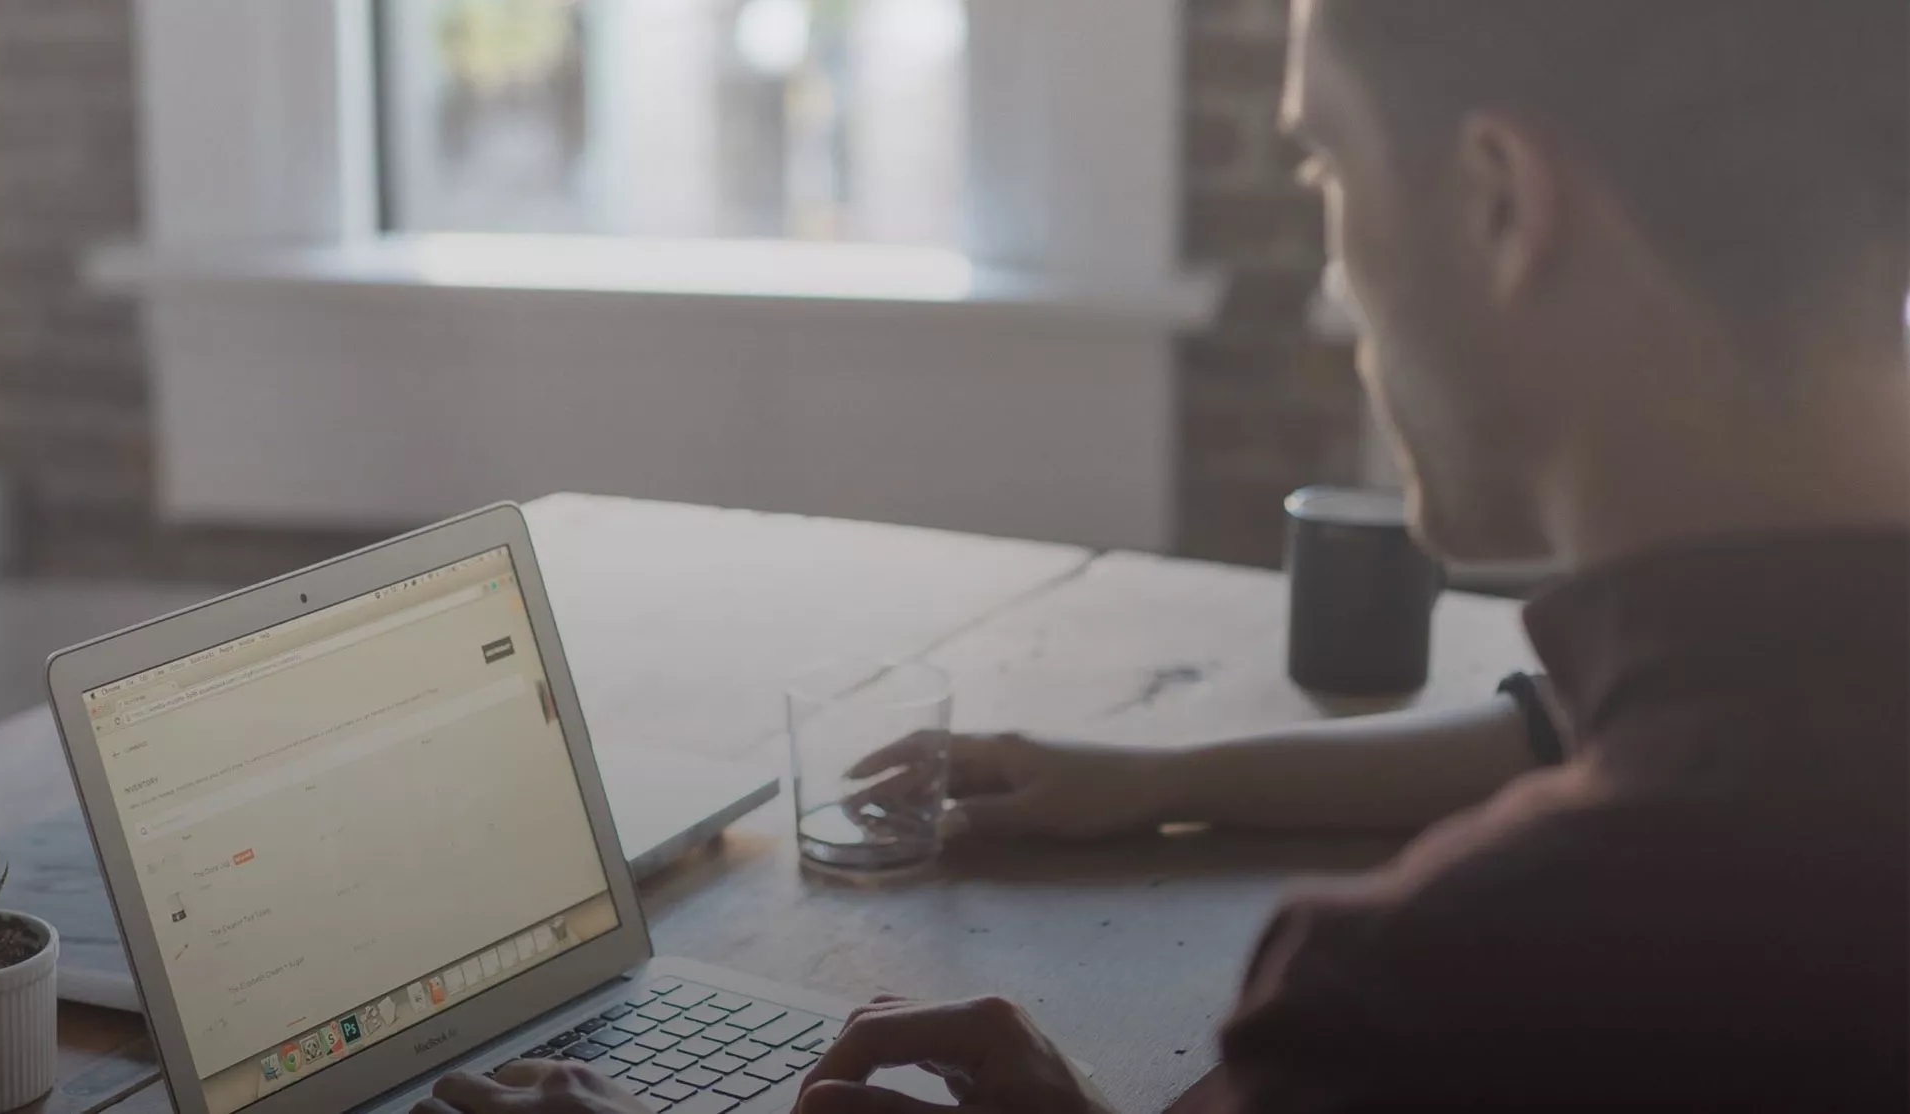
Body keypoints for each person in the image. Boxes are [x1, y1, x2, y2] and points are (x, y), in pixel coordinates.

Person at [417, 0, 1908, 1110]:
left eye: (1326, 171)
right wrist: (1155, 780)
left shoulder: (1440, 990)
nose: (1335, 278)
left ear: (1499, 206)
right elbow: (1573, 729)